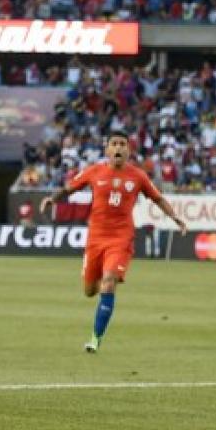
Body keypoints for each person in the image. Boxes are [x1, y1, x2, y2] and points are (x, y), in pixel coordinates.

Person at [40, 131, 187, 352]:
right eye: (114, 144)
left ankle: (95, 339)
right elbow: (69, 188)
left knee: (109, 281)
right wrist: (52, 199)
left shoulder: (138, 176)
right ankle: (102, 286)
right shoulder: (94, 171)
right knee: (89, 291)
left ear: (128, 150)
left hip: (121, 238)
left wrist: (175, 217)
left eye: (122, 144)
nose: (118, 148)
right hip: (95, 238)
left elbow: (157, 198)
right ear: (107, 149)